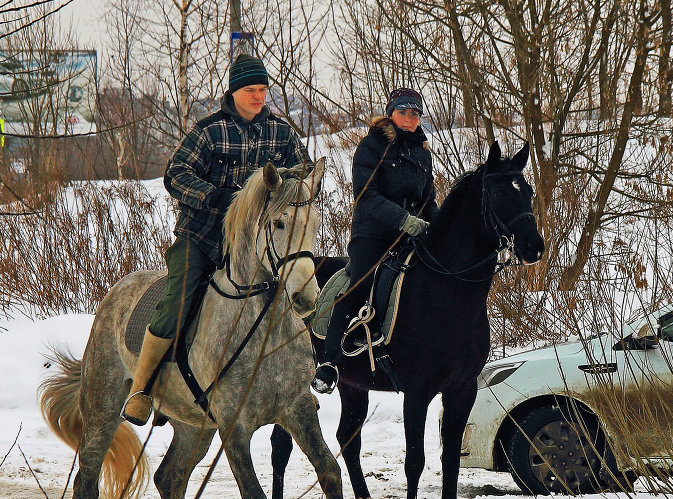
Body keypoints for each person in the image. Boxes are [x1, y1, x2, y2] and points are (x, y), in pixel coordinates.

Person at [122, 53, 311, 425]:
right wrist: (216, 198)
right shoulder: (209, 131)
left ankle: (298, 383)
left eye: (262, 89)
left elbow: (301, 170)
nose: (258, 96)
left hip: (260, 243)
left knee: (300, 286)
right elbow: (175, 174)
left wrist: (288, 191)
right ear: (234, 91)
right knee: (179, 298)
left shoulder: (282, 132)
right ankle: (142, 389)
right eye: (250, 90)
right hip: (204, 236)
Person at [311, 87, 438, 393]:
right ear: (391, 114)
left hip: (412, 237)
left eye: (414, 113)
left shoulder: (422, 152)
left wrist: (438, 226)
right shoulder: (371, 146)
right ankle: (328, 362)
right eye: (403, 112)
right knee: (360, 286)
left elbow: (428, 199)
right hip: (373, 235)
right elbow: (366, 197)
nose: (409, 118)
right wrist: (404, 220)